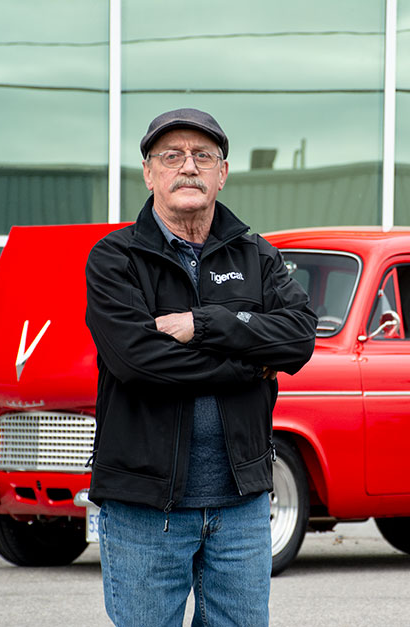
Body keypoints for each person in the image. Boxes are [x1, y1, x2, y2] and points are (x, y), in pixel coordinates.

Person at [84, 108, 317, 626]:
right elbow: (138, 363)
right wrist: (251, 362)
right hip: (145, 509)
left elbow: (300, 337)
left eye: (202, 156)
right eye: (172, 156)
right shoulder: (114, 259)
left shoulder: (256, 254)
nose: (188, 167)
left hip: (242, 507)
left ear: (222, 172)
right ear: (149, 173)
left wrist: (205, 324)